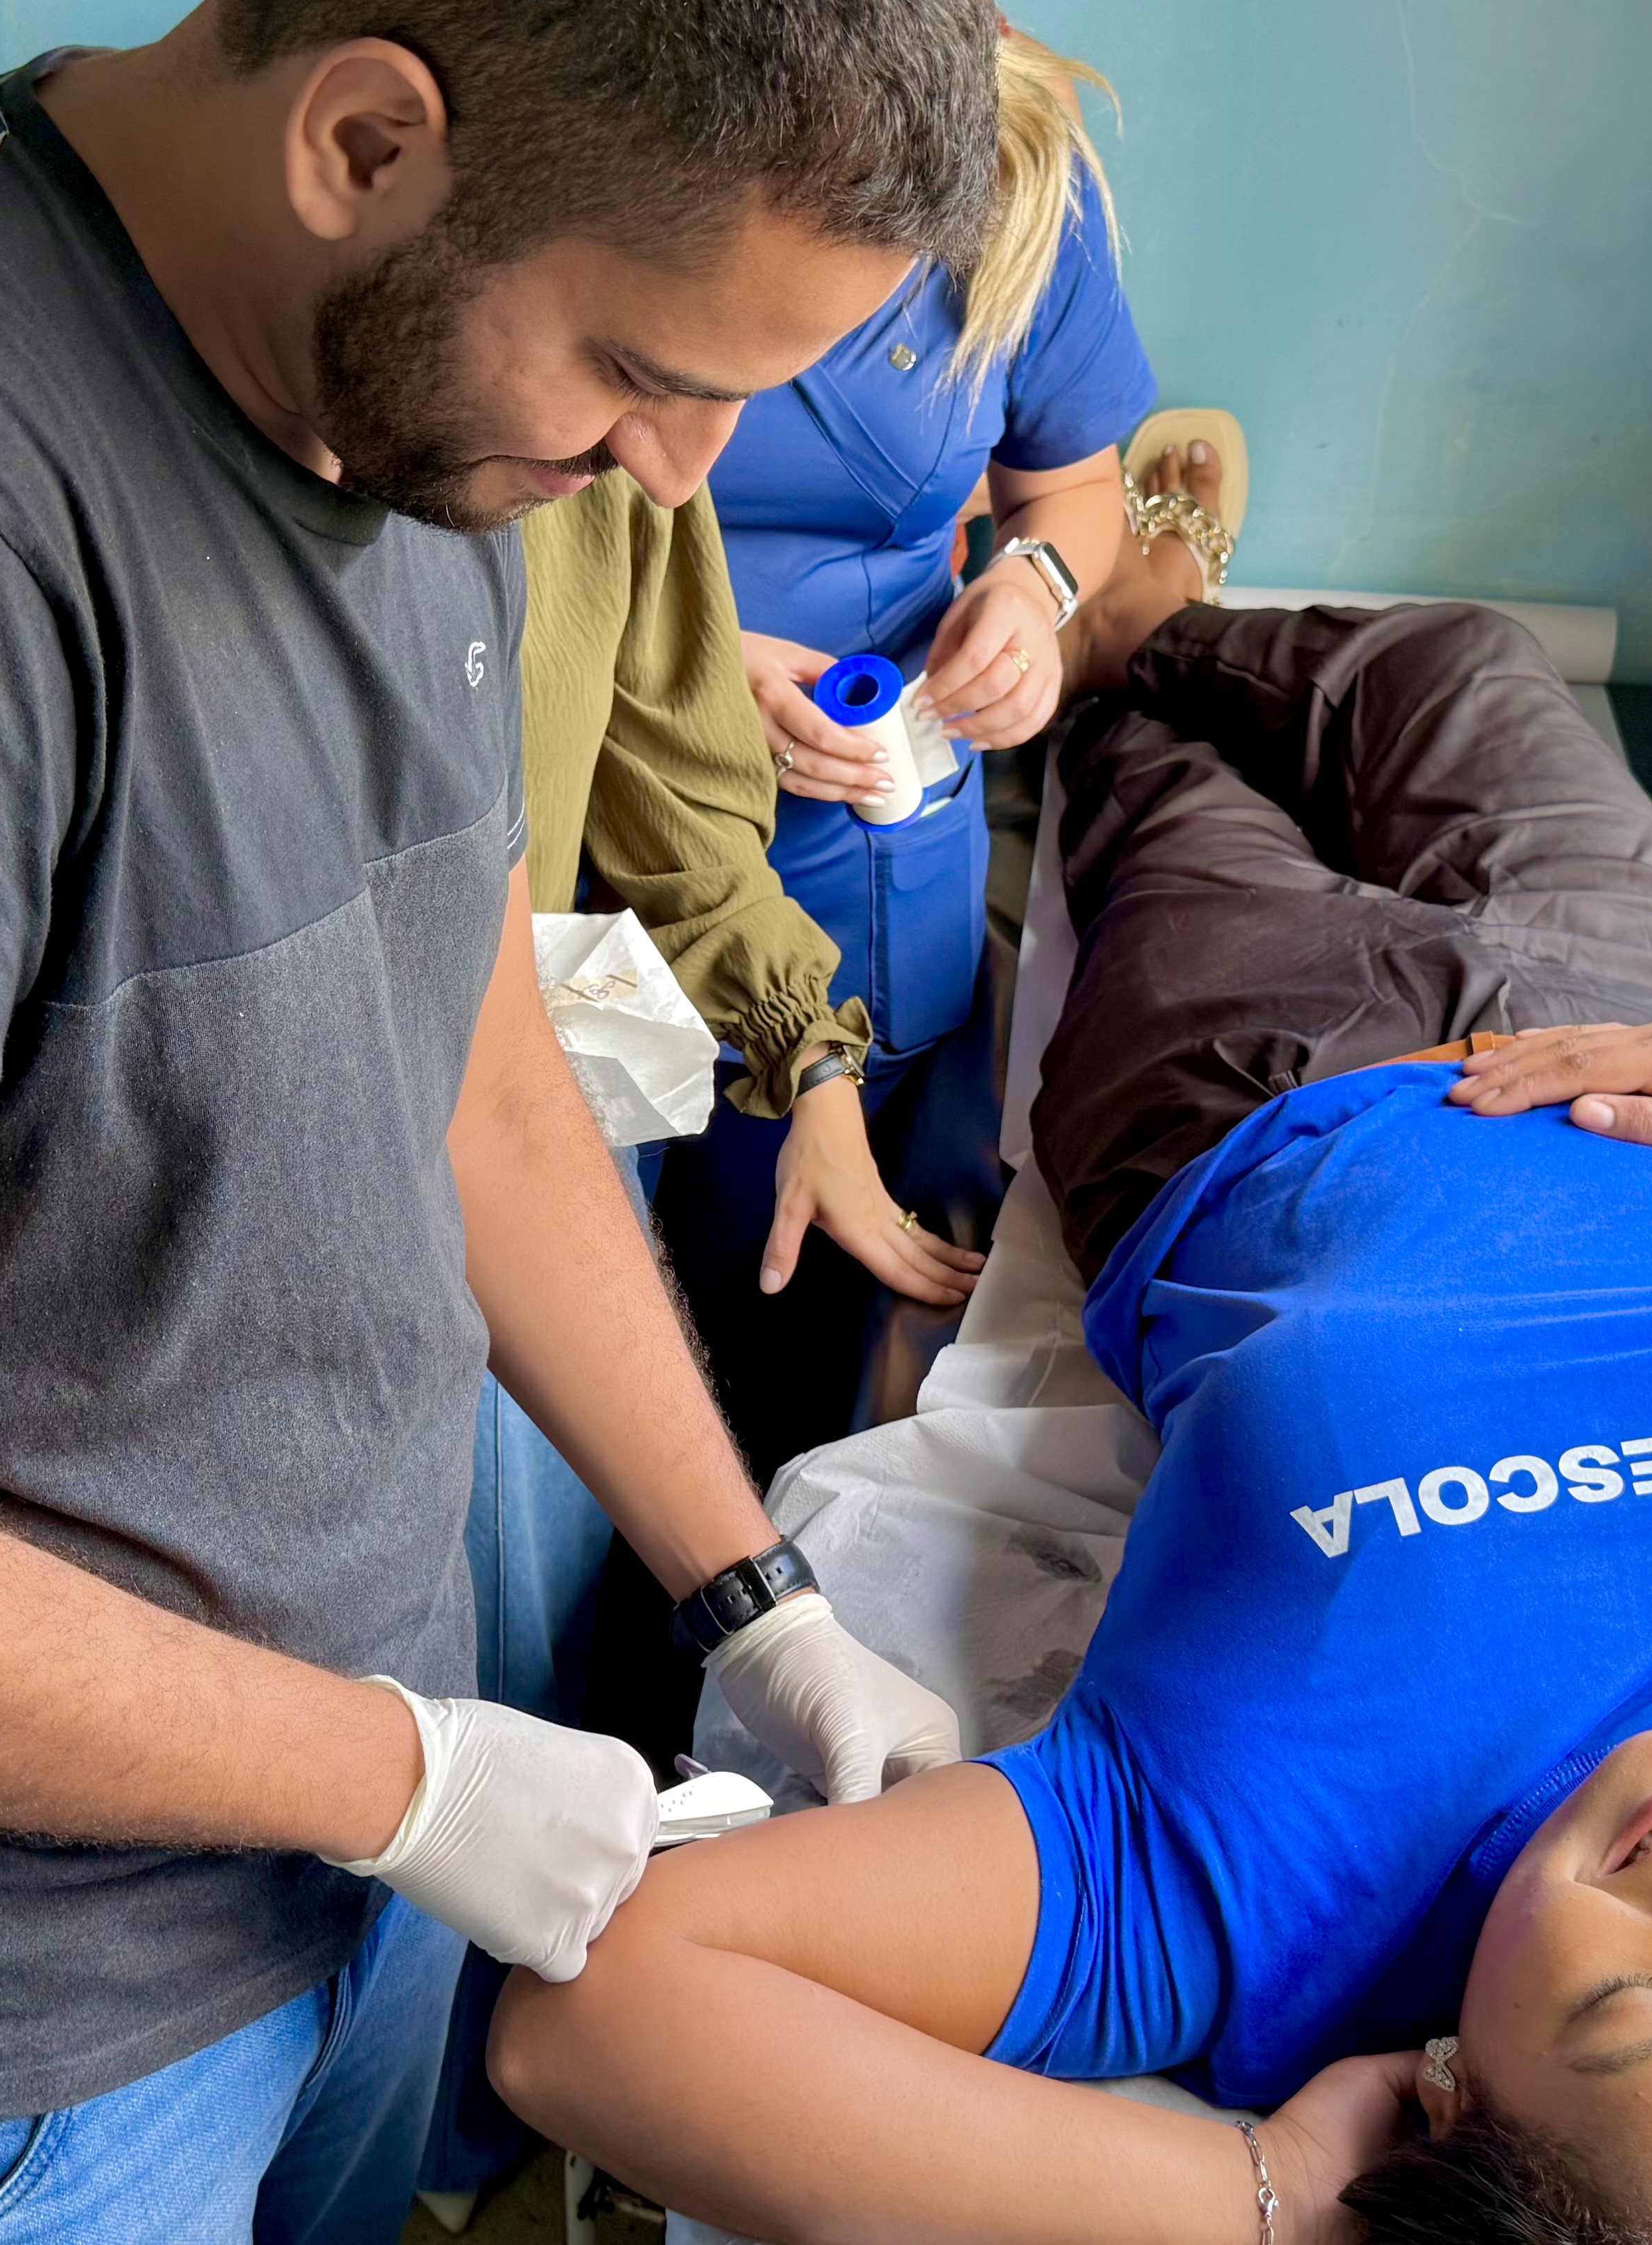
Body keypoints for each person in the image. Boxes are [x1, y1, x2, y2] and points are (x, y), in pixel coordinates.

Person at [0, 6, 1003, 2239]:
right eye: (642, 369)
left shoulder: (404, 406)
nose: (680, 473)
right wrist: (407, 1779)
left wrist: (749, 1597)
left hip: (331, 1833)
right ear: (366, 140)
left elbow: (470, 1052)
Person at [486, 523, 1652, 2245]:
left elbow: (598, 2006)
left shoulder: (1256, 1877)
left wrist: (1263, 2196)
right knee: (1458, 663)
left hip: (1247, 1087)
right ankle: (1152, 600)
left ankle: (1110, 634)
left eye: (1641, 1998)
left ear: (1446, 2099)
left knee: (1142, 755)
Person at [426, 474, 993, 2213]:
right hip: (388, 1104)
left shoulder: (633, 480)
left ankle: (459, 2111)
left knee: (548, 1597)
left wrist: (811, 1063)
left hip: (547, 1032)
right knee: (469, 1634)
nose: (693, 460)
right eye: (650, 378)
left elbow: (672, 798)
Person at [670, 27, 1157, 1478]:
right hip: (598, 782)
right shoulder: (627, 120)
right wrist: (679, 665)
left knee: (790, 1297)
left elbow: (1073, 488)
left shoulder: (1022, 179)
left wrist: (1035, 592)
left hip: (863, 831)